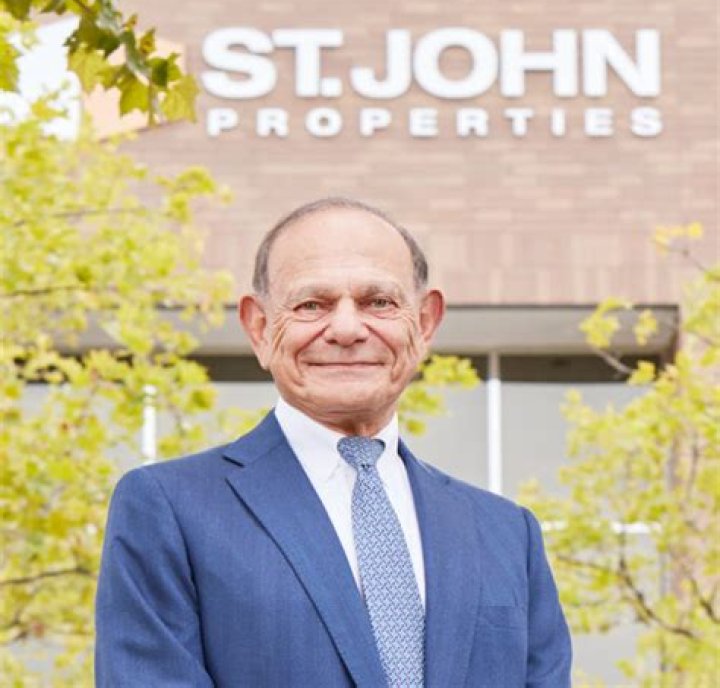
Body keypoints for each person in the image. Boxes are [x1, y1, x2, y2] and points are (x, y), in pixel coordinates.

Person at [95, 197, 572, 687]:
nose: (346, 329)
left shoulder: (508, 534)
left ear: (425, 322)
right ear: (259, 328)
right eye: (312, 305)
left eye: (378, 302)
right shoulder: (169, 510)